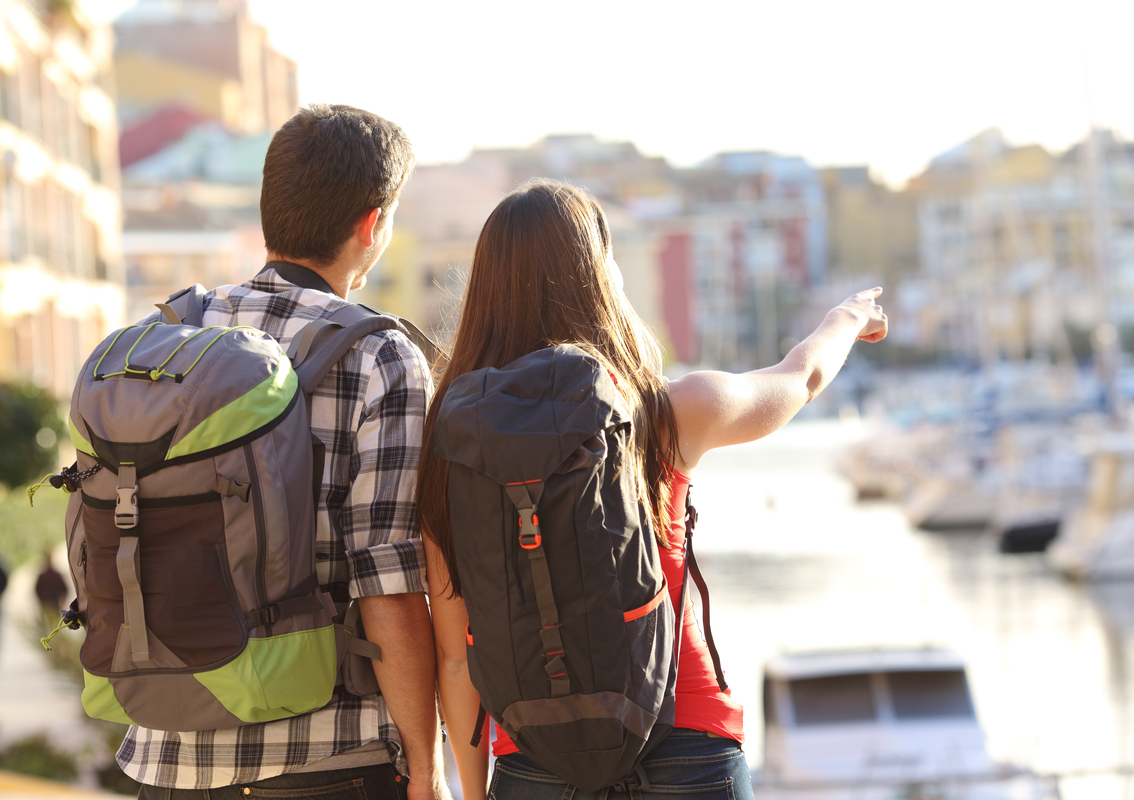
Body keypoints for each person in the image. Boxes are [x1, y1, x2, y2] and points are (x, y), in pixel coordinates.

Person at [416, 179, 888, 799]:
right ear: (599, 277)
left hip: (536, 760)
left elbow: (455, 656)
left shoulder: (448, 443)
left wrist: (473, 796)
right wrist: (846, 317)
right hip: (687, 740)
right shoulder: (663, 412)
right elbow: (800, 377)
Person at [124, 105, 450, 800]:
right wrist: (426, 762)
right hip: (327, 757)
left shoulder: (166, 337)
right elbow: (387, 581)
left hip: (165, 753)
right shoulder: (379, 356)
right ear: (372, 225)